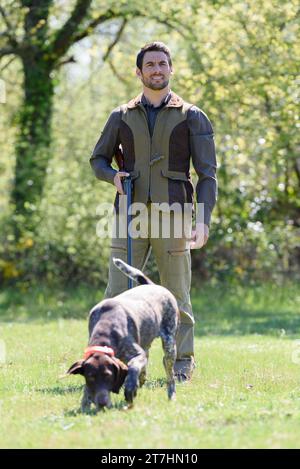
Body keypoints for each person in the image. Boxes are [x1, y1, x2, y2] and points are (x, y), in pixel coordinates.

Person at [90, 42, 217, 382]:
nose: (157, 69)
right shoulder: (121, 115)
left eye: (163, 63)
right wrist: (111, 176)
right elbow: (97, 159)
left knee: (176, 294)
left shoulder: (193, 116)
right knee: (117, 294)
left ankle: (181, 364)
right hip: (128, 215)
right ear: (139, 72)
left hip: (174, 214)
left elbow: (208, 175)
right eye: (150, 65)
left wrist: (202, 220)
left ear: (171, 69)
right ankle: (110, 363)